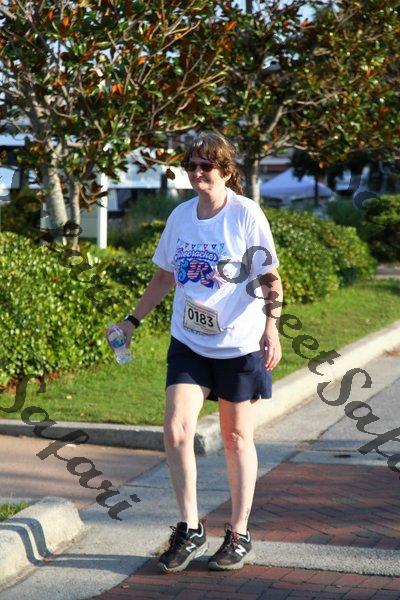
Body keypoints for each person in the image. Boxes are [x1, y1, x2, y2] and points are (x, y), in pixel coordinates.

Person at [107, 131, 283, 573]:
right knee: (176, 429)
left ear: (226, 170)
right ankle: (190, 527)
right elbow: (164, 278)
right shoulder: (181, 217)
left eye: (206, 166)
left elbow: (270, 280)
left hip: (239, 344)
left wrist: (272, 328)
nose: (197, 173)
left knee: (235, 437)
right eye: (191, 166)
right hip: (189, 341)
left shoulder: (245, 215)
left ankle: (239, 533)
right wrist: (131, 322)